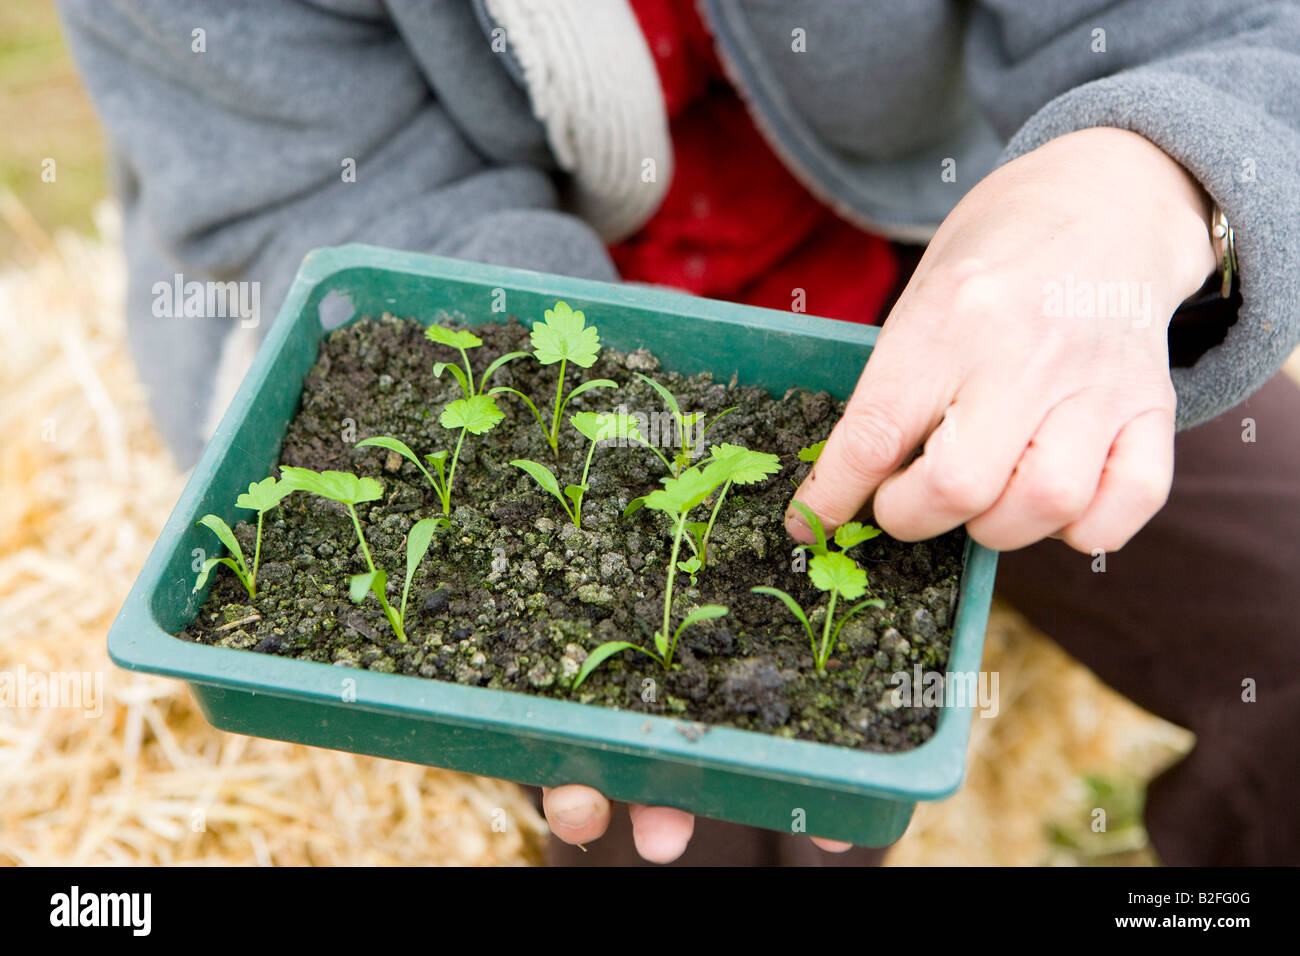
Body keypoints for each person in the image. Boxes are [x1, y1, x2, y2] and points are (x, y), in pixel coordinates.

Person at [60, 0, 1300, 865]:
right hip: (551, 311)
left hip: (989, 274)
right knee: (695, 833)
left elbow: (1216, 25)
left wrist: (1135, 181)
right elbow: (344, 209)